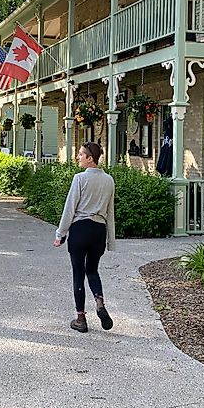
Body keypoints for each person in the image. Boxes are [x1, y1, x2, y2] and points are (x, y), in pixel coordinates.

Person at [54, 142, 116, 333]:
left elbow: (70, 208)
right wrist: (111, 241)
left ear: (91, 158)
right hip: (99, 230)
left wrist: (60, 233)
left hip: (80, 229)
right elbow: (110, 212)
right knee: (93, 270)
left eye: (81, 154)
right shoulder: (109, 180)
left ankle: (80, 318)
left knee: (78, 274)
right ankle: (99, 301)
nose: (78, 157)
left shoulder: (79, 179)